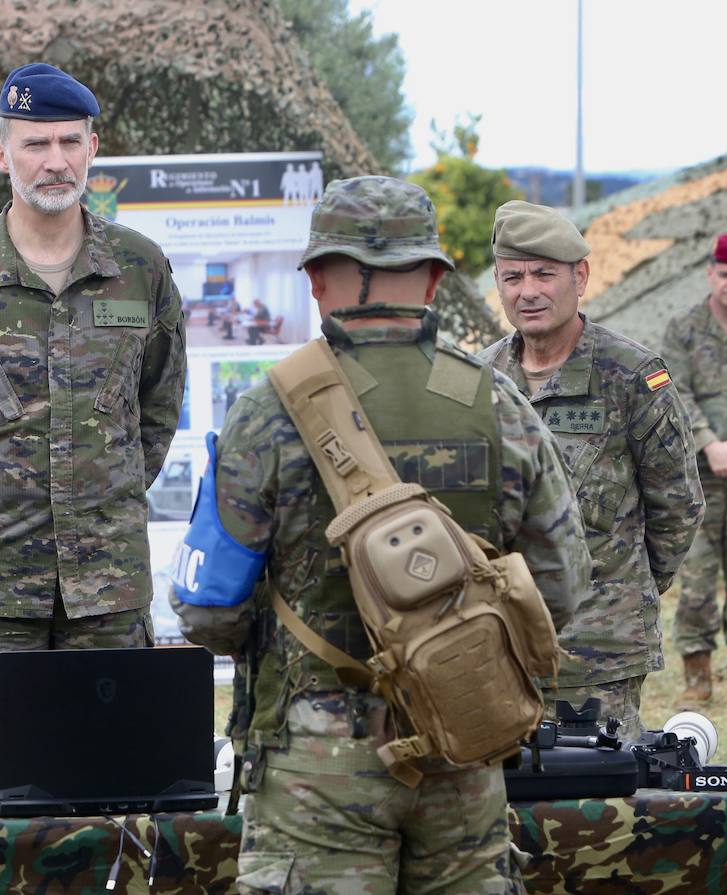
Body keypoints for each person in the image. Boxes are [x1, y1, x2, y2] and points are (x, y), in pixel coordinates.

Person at [171, 176, 590, 893]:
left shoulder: (267, 411)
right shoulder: (496, 402)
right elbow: (560, 590)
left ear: (316, 281)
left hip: (316, 765)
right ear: (432, 279)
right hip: (466, 740)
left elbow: (209, 611)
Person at [0, 62, 186, 784]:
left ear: (93, 147)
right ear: (0, 154)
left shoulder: (141, 271)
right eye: (35, 144)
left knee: (116, 800)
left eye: (69, 141)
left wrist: (98, 503)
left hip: (106, 600)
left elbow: (158, 409)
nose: (54, 160)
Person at [478, 200, 704, 739]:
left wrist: (623, 592)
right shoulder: (478, 379)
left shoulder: (632, 377)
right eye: (512, 277)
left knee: (604, 808)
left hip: (599, 655)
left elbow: (678, 506)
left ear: (580, 276)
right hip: (496, 646)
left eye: (543, 274)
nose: (527, 291)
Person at [663, 234, 727, 704]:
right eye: (724, 274)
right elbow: (674, 391)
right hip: (698, 478)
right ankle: (696, 678)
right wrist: (709, 444)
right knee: (698, 577)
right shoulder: (683, 329)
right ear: (710, 274)